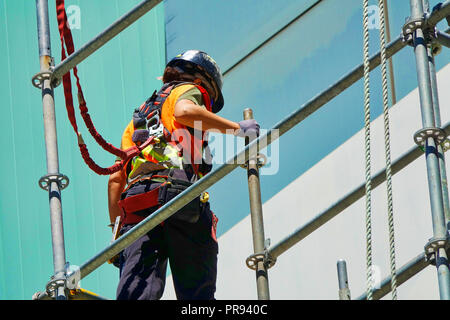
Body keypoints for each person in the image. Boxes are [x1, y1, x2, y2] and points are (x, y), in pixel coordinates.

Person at [107, 50, 260, 300]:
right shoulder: (189, 89)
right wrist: (236, 129)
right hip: (177, 196)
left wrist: (118, 239)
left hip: (137, 205)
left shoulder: (137, 121)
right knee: (197, 296)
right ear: (204, 81)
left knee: (136, 293)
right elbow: (184, 112)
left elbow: (115, 179)